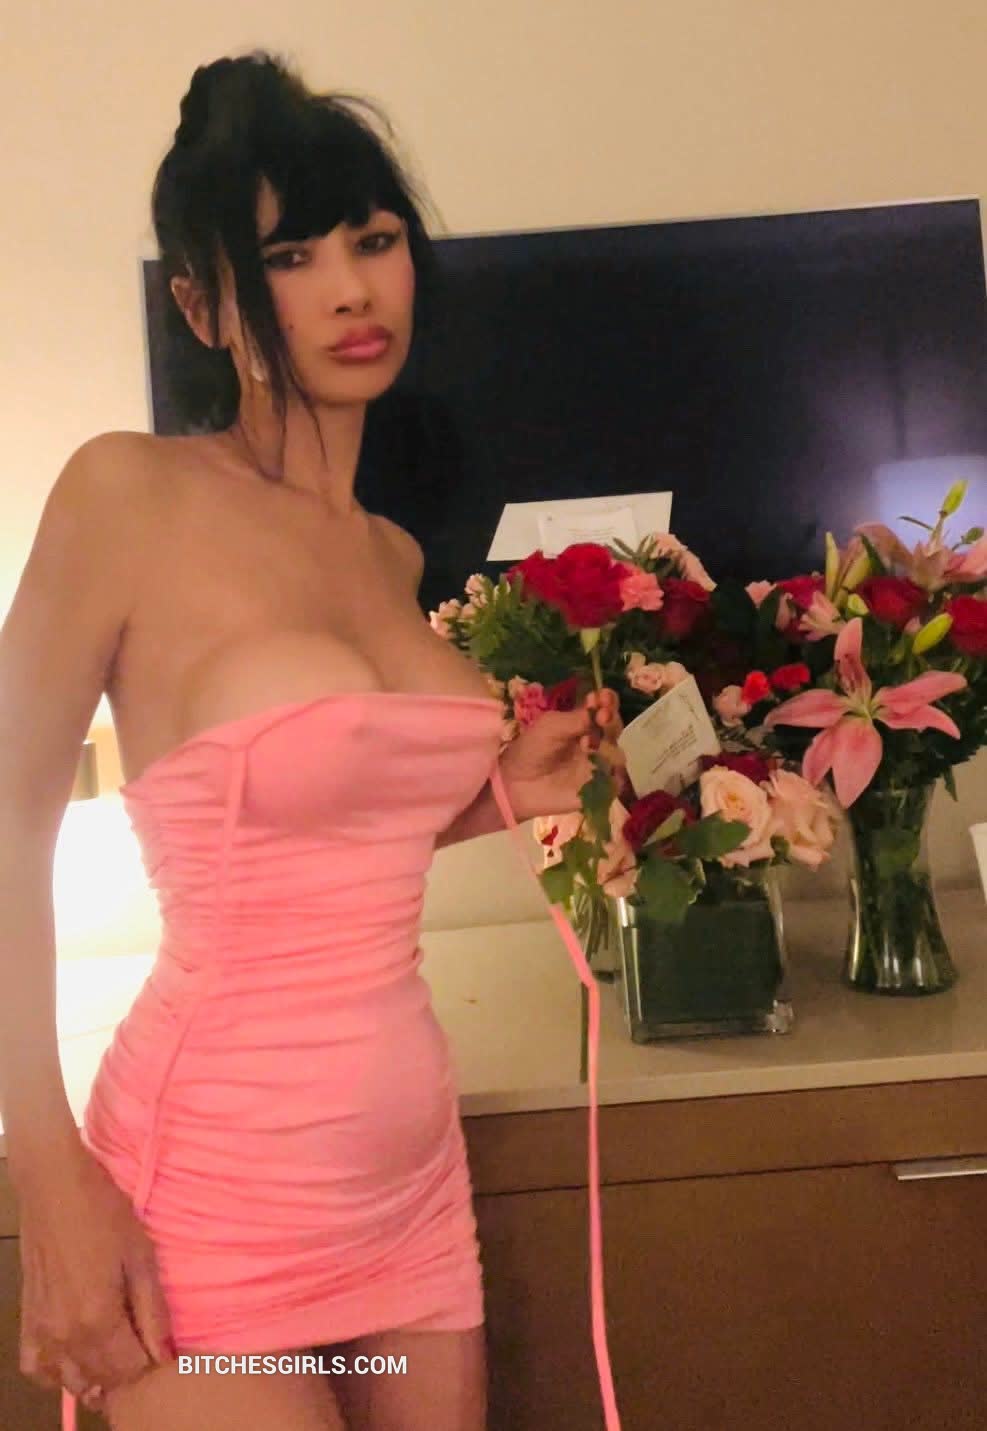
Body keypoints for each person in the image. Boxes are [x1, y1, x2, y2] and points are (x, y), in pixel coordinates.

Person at [0, 48, 625, 1431]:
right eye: (291, 256)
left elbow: (321, 842)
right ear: (203, 304)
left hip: (409, 1198)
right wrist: (47, 1179)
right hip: (204, 1205)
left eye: (375, 240)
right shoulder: (127, 494)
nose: (351, 288)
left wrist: (496, 797)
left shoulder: (388, 552)